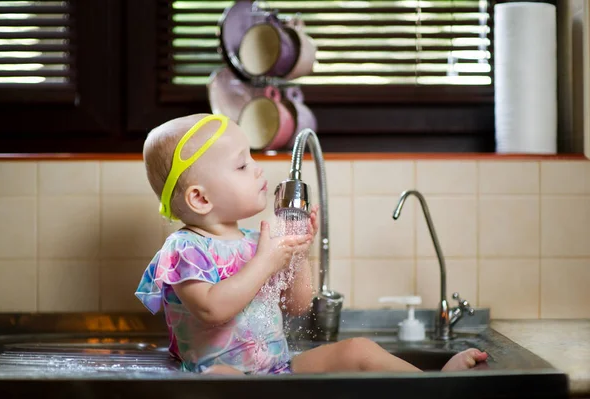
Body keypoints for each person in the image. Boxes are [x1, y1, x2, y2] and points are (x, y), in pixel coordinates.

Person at [135, 113, 488, 375]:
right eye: (242, 165)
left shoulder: (257, 241)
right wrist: (267, 262)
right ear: (200, 198)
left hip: (279, 370)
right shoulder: (184, 249)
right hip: (218, 376)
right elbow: (211, 309)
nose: (258, 169)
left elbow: (299, 304)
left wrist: (297, 254)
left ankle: (431, 383)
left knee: (358, 350)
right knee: (221, 377)